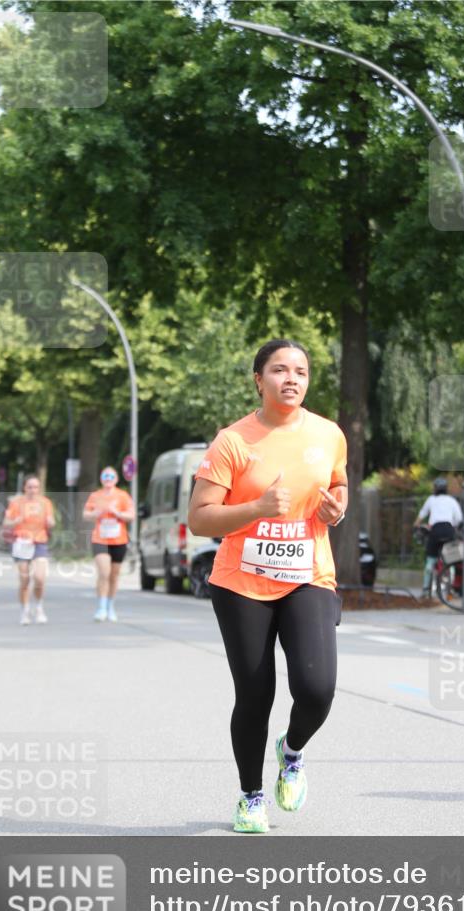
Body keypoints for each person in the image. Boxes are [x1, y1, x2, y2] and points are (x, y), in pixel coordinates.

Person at [188, 339, 348, 834]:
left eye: (300, 371)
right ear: (259, 380)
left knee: (317, 690)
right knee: (256, 695)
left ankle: (291, 751)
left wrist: (336, 507)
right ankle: (250, 797)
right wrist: (257, 508)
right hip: (242, 584)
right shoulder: (233, 441)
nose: (291, 379)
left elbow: (338, 484)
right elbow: (199, 518)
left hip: (308, 577)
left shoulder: (328, 434)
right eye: (279, 370)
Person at [83, 467, 135, 622]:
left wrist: (117, 513)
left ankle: (110, 606)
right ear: (101, 479)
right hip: (100, 539)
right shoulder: (95, 496)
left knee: (114, 575)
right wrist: (96, 513)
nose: (108, 478)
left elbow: (131, 516)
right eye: (105, 476)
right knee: (104, 573)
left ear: (116, 479)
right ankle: (101, 607)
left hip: (119, 540)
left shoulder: (122, 496)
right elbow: (85, 514)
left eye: (111, 476)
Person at [4, 475, 55, 625]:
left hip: (39, 542)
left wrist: (50, 522)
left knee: (40, 578)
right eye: (30, 487)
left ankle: (39, 607)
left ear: (39, 488)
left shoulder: (45, 503)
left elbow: (51, 521)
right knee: (25, 579)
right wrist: (15, 521)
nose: (33, 490)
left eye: (36, 487)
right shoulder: (16, 503)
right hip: (22, 542)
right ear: (24, 488)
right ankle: (25, 611)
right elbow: (6, 522)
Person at [413, 477, 463, 598]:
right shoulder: (452, 500)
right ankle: (451, 589)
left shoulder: (431, 499)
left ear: (435, 489)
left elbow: (422, 514)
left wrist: (416, 525)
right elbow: (459, 519)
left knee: (430, 560)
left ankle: (425, 590)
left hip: (435, 531)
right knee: (451, 560)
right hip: (449, 531)